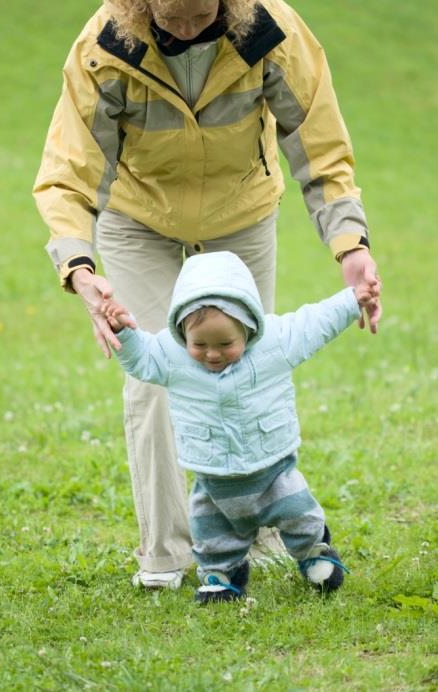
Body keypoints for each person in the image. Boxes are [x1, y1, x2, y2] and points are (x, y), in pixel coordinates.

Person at [33, 0, 382, 589]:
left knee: (253, 365)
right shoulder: (106, 44)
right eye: (174, 20)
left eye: (202, 18)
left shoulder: (271, 30)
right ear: (142, 6)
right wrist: (79, 266)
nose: (189, 31)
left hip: (238, 213)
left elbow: (318, 141)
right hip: (138, 215)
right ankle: (166, 555)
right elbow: (70, 167)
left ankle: (263, 529)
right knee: (152, 377)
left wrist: (350, 244)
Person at [104, 250, 376, 602]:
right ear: (182, 331)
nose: (212, 354)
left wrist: (352, 300)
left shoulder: (275, 342)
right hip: (213, 478)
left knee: (299, 514)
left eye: (225, 344)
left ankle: (314, 553)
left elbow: (315, 322)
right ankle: (221, 574)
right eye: (199, 344)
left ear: (247, 328)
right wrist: (122, 333)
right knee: (211, 532)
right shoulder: (171, 356)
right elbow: (142, 358)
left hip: (274, 469)